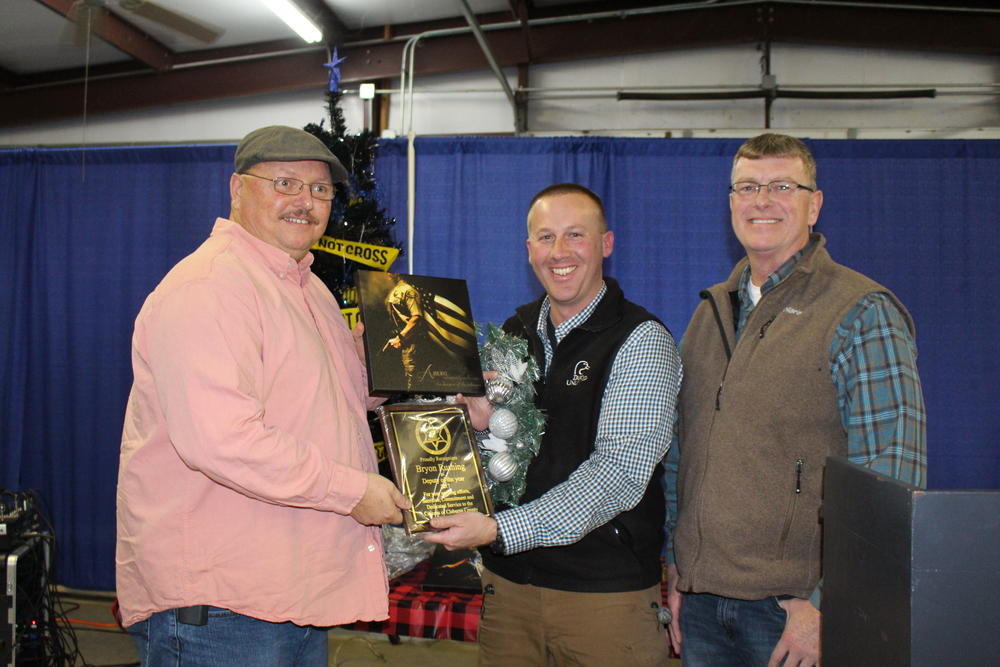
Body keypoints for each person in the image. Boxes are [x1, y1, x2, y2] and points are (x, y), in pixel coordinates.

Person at [115, 125, 409, 665]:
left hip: (287, 593)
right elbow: (222, 440)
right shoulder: (211, 286)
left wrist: (382, 367)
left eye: (321, 191)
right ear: (237, 188)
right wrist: (353, 491)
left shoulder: (308, 287)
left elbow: (334, 404)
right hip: (223, 605)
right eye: (285, 183)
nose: (306, 202)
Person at [663, 133, 927, 667]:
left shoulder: (861, 312)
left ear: (815, 203)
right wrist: (676, 570)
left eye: (783, 185)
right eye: (748, 187)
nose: (762, 200)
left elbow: (893, 479)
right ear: (732, 203)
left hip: (794, 616)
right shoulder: (708, 314)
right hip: (701, 606)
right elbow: (679, 456)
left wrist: (831, 605)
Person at [424, 183, 683, 665]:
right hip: (508, 592)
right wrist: (479, 429)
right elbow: (509, 457)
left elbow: (617, 475)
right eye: (545, 238)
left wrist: (499, 530)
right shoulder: (514, 332)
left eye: (575, 235)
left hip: (603, 602)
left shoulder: (641, 341)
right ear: (528, 251)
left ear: (606, 243)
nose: (559, 253)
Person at [384, 272, 430, 390]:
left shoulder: (408, 291)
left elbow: (416, 317)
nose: (388, 274)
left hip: (411, 343)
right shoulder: (394, 291)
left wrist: (400, 338)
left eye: (391, 272)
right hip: (398, 342)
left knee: (411, 383)